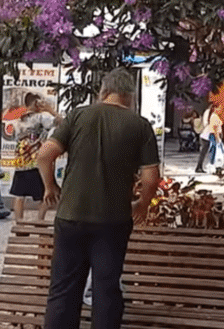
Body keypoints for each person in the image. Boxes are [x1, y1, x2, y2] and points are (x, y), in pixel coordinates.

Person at [37, 68, 160, 329]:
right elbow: (151, 178)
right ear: (131, 96)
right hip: (113, 221)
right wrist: (142, 204)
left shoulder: (78, 115)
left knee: (63, 289)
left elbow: (45, 155)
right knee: (106, 289)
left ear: (103, 91)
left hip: (70, 216)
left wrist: (51, 186)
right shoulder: (139, 125)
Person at [10, 92, 62, 220]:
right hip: (37, 163)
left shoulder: (17, 121)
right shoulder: (40, 118)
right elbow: (61, 122)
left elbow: (13, 137)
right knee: (45, 193)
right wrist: (51, 110)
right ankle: (40, 220)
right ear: (36, 103)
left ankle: (19, 223)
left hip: (21, 163)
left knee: (19, 196)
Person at [194, 104, 224, 173]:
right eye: (219, 108)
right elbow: (215, 128)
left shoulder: (210, 115)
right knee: (210, 152)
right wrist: (218, 138)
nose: (220, 110)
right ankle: (204, 166)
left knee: (205, 153)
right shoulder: (213, 116)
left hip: (206, 135)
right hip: (207, 136)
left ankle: (200, 166)